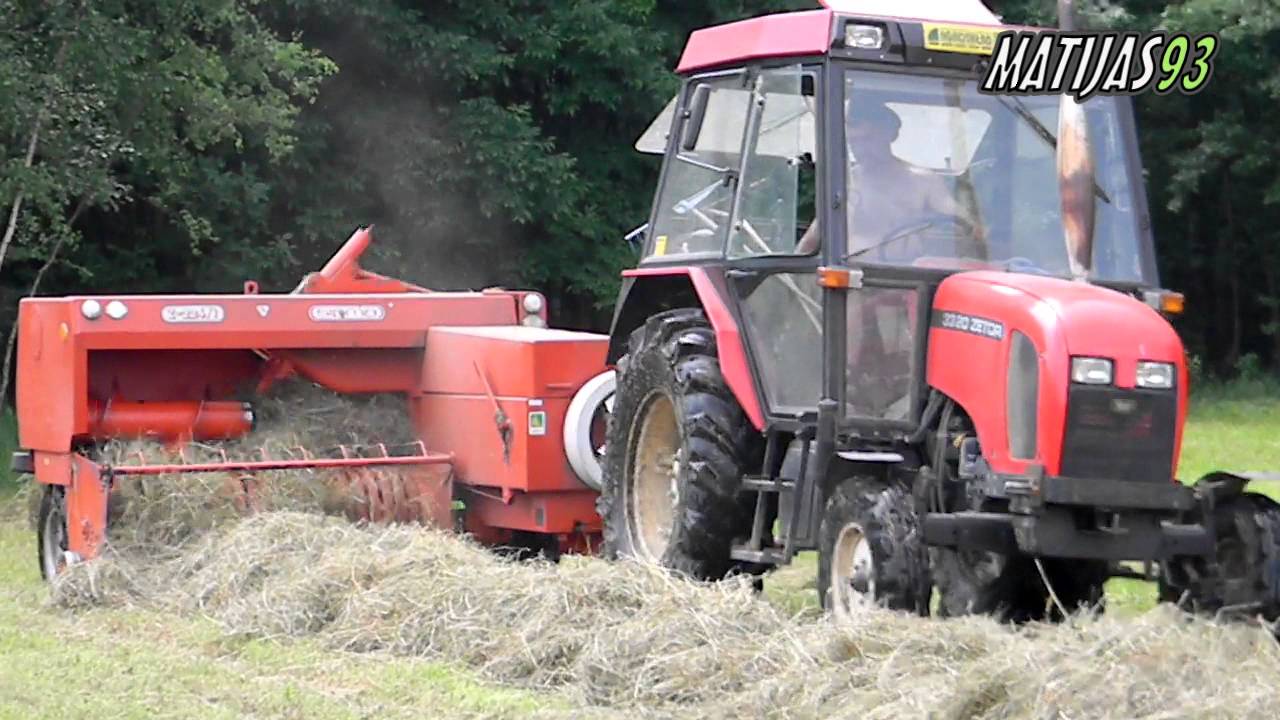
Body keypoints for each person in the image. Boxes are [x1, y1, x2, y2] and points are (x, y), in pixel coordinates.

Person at [796, 101, 979, 258]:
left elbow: (964, 223)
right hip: (847, 282)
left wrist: (957, 226)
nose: (861, 148)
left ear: (890, 134)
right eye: (855, 142)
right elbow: (812, 239)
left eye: (868, 139)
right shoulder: (844, 183)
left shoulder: (924, 182)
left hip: (907, 280)